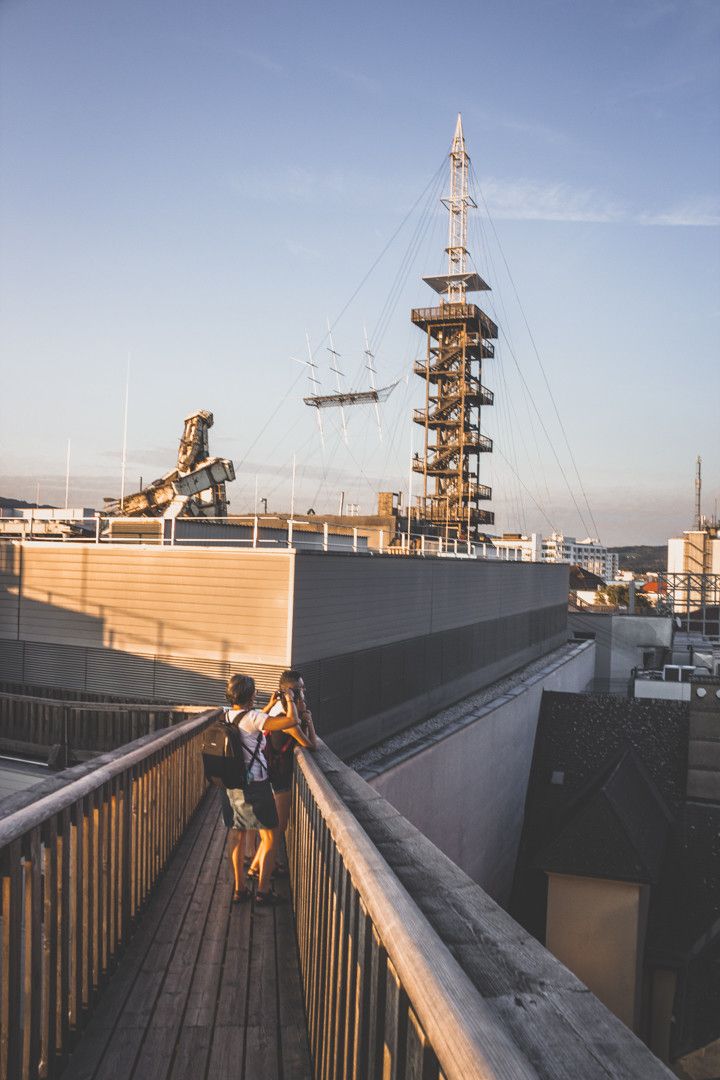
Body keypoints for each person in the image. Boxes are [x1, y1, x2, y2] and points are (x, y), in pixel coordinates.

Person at [223, 672, 300, 906]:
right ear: (251, 694)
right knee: (271, 835)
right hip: (256, 784)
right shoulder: (255, 718)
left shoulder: (227, 715)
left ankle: (239, 889)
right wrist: (289, 700)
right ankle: (263, 891)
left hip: (231, 785)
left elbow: (251, 720)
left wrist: (269, 705)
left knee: (237, 834)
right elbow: (292, 722)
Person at [248, 669, 317, 881]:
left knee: (273, 831)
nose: (303, 693)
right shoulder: (287, 722)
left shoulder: (279, 714)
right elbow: (311, 745)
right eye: (300, 689)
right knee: (278, 830)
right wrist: (309, 721)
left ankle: (259, 867)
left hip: (271, 779)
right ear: (291, 692)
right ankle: (256, 872)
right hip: (280, 782)